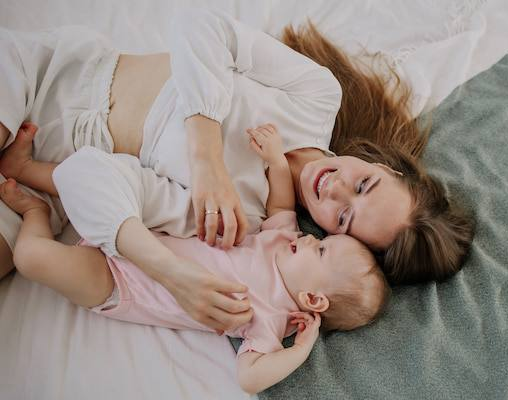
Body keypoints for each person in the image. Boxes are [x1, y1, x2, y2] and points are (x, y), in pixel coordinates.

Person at [0, 8, 473, 330]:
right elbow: (199, 24)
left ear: (339, 240)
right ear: (384, 165)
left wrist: (168, 271)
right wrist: (206, 159)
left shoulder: (245, 223)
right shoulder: (317, 97)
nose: (334, 190)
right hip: (51, 77)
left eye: (344, 217)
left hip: (49, 182)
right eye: (364, 184)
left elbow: (101, 179)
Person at [0, 122, 390, 394]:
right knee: (96, 175)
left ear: (313, 299)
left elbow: (249, 378)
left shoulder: (272, 316)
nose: (311, 239)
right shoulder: (283, 239)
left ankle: (36, 214)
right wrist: (275, 161)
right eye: (320, 238)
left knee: (31, 257)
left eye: (321, 250)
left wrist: (300, 350)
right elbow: (280, 204)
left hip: (119, 282)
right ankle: (27, 169)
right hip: (141, 231)